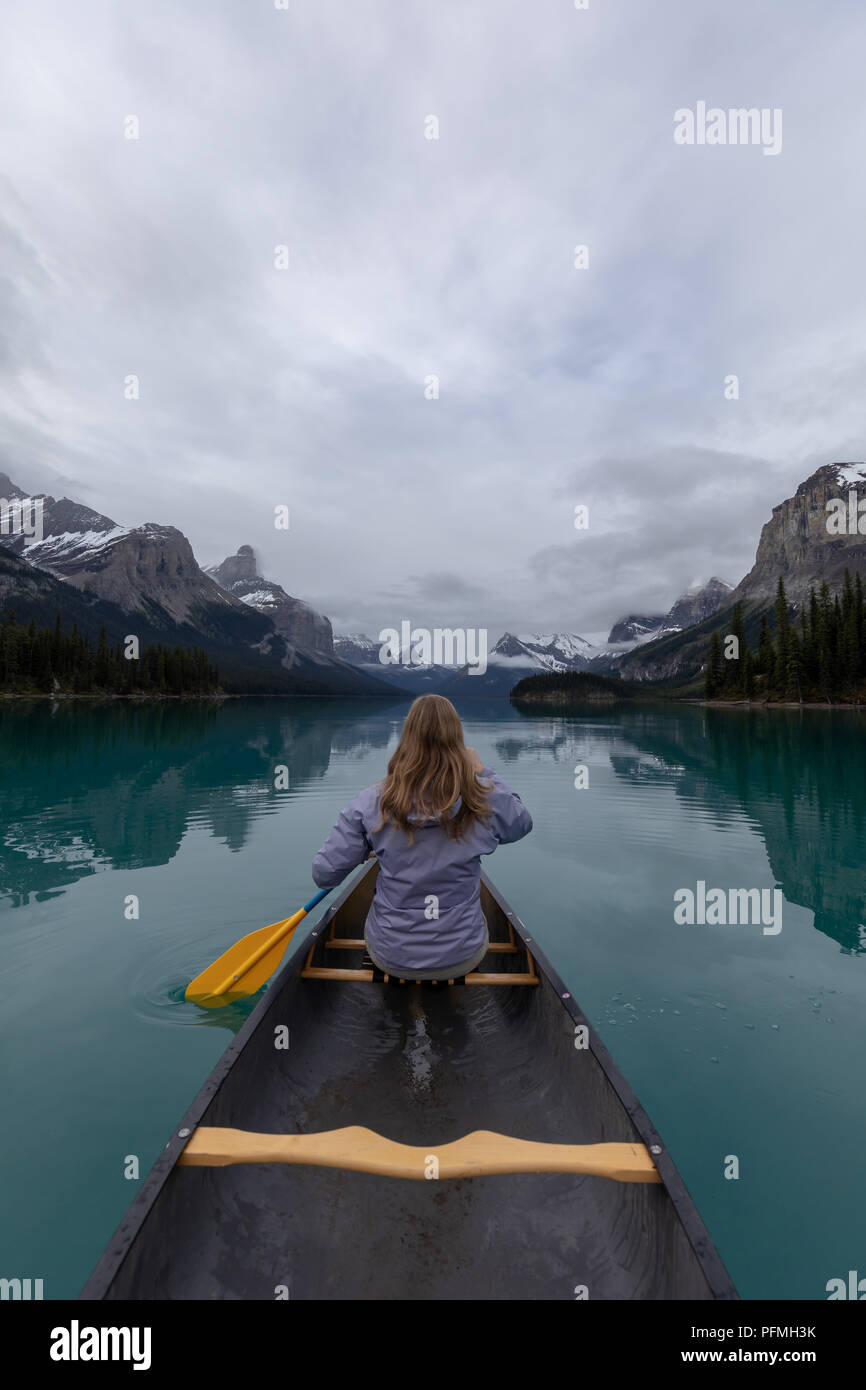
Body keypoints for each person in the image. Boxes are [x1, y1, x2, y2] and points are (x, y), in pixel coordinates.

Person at [312, 694, 532, 980]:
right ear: (457, 740)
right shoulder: (482, 798)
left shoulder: (371, 801)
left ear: (407, 738)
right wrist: (483, 772)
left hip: (391, 956)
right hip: (462, 956)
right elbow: (521, 824)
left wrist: (363, 847)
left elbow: (324, 875)